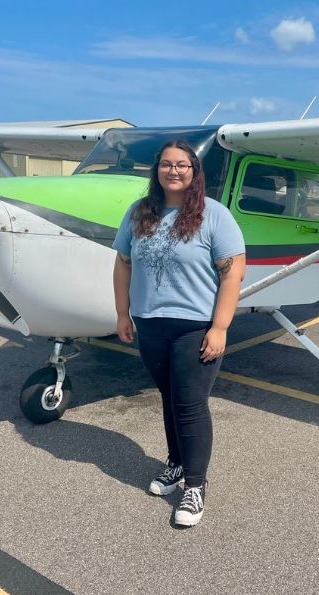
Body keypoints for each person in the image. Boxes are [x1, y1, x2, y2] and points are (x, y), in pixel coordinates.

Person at [112, 140, 246, 527]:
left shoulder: (213, 216)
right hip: (151, 324)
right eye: (166, 164)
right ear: (156, 170)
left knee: (189, 404)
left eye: (182, 165)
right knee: (169, 398)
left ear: (194, 171)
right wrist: (123, 313)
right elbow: (122, 263)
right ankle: (175, 463)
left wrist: (219, 328)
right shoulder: (139, 214)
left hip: (195, 326)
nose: (174, 171)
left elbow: (232, 273)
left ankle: (195, 485)